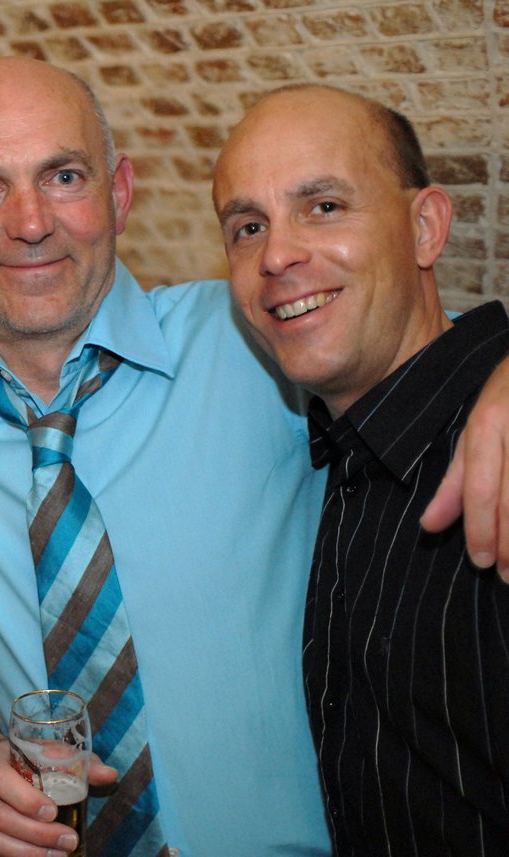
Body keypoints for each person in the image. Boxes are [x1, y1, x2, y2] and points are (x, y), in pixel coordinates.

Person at [0, 56, 509, 857]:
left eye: (62, 176)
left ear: (119, 192)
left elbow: (415, 334)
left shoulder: (263, 336)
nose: (28, 222)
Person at [212, 85, 509, 855]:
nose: (276, 255)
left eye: (323, 206)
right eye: (248, 226)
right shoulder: (342, 450)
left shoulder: (495, 445)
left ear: (425, 227)